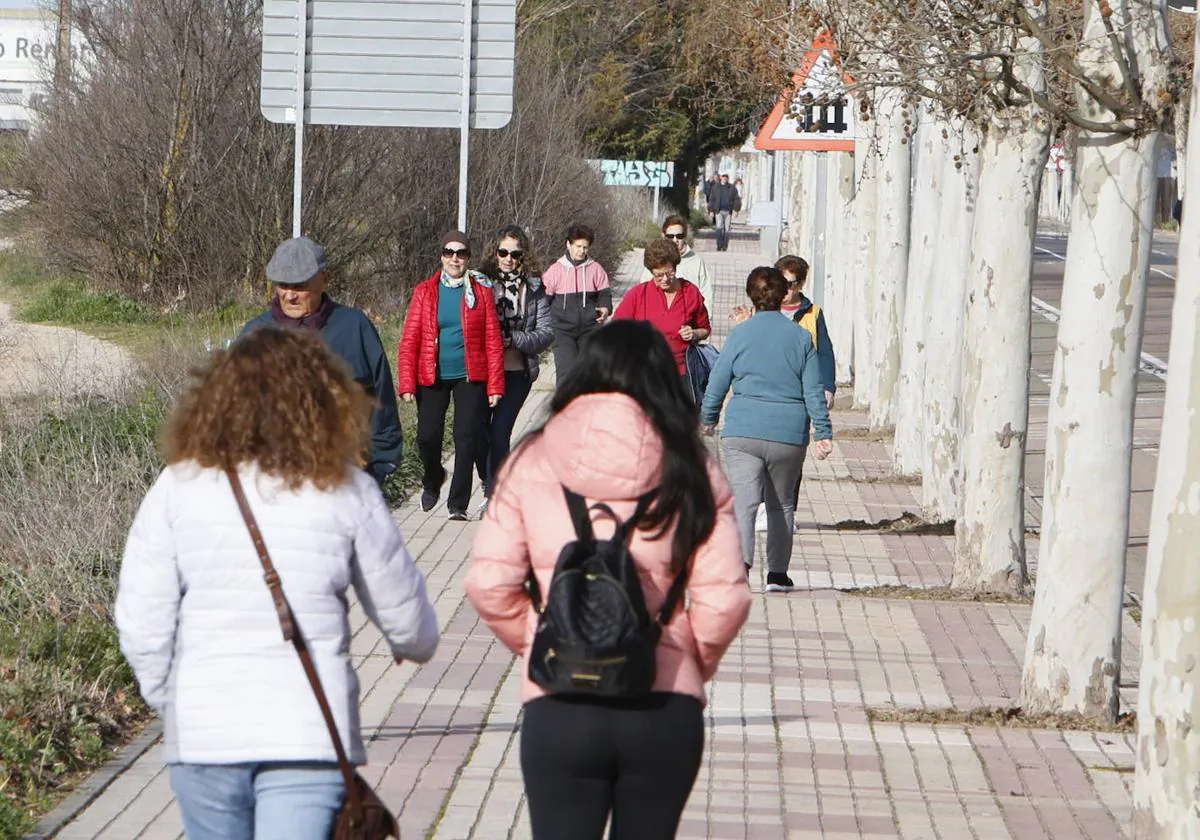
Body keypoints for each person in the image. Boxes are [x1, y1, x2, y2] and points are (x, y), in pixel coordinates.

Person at [115, 326, 440, 840]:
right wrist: (412, 644)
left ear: (216, 402)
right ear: (323, 401)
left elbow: (141, 618)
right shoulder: (345, 488)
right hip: (306, 734)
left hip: (205, 731)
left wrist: (172, 698)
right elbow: (404, 611)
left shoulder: (177, 487)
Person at [465, 320, 751, 840]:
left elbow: (489, 583)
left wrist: (548, 639)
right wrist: (684, 659)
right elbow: (725, 597)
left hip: (561, 702)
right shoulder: (690, 467)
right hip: (663, 707)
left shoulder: (532, 458)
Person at [701, 267, 833, 593]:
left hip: (743, 431)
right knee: (781, 504)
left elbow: (718, 380)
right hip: (788, 434)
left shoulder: (740, 335)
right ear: (783, 294)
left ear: (751, 296)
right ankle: (777, 575)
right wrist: (823, 431)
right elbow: (813, 389)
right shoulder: (801, 338)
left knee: (744, 503)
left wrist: (708, 417)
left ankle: (741, 568)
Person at [241, 236, 403, 488]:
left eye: (300, 286)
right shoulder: (254, 335)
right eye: (283, 285)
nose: (290, 295)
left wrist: (379, 467)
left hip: (344, 481)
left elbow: (381, 401)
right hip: (271, 485)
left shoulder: (354, 327)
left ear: (325, 279)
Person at [397, 230, 505, 520]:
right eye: (449, 252)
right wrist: (407, 382)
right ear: (441, 256)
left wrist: (495, 385)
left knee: (466, 436)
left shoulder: (481, 293)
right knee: (427, 437)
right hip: (432, 374)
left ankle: (458, 504)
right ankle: (433, 478)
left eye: (461, 253)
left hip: (470, 375)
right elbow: (410, 339)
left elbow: (493, 341)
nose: (454, 258)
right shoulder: (425, 292)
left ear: (468, 257)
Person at [474, 224, 554, 516]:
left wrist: (515, 340)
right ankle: (489, 480)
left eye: (515, 254)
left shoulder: (533, 289)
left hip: (518, 372)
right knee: (476, 432)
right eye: (503, 252)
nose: (509, 258)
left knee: (499, 433)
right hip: (483, 371)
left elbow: (547, 333)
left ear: (523, 256)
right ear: (495, 253)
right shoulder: (480, 284)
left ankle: (495, 494)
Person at [735, 255, 836, 410]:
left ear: (800, 284)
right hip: (766, 388)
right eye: (778, 283)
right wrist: (747, 325)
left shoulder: (813, 313)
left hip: (800, 389)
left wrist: (828, 387)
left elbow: (824, 352)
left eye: (788, 284)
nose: (782, 289)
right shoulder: (760, 311)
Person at [612, 239, 710, 391]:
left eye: (669, 273)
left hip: (682, 374)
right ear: (651, 272)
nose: (665, 279)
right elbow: (616, 329)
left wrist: (694, 334)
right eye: (658, 275)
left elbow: (705, 329)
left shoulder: (691, 293)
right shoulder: (638, 294)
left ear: (676, 267)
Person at [542, 222, 612, 385]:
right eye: (578, 246)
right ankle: (565, 409)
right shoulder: (555, 270)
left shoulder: (596, 269)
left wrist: (605, 309)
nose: (582, 251)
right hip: (562, 331)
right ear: (568, 244)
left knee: (589, 374)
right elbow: (544, 301)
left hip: (590, 329)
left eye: (585, 247)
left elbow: (605, 295)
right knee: (566, 374)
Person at [639, 214, 714, 306]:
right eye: (670, 236)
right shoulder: (655, 260)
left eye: (679, 236)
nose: (675, 240)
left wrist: (707, 317)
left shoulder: (697, 262)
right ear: (663, 235)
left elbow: (706, 294)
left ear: (685, 236)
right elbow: (644, 291)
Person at [707, 174, 741, 252]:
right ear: (721, 178)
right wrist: (711, 210)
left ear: (727, 179)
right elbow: (711, 199)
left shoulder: (732, 188)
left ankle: (725, 246)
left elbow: (736, 199)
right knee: (719, 227)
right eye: (723, 178)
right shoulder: (715, 187)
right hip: (719, 211)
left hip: (728, 212)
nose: (724, 179)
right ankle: (719, 245)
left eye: (726, 178)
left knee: (727, 228)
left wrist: (736, 210)